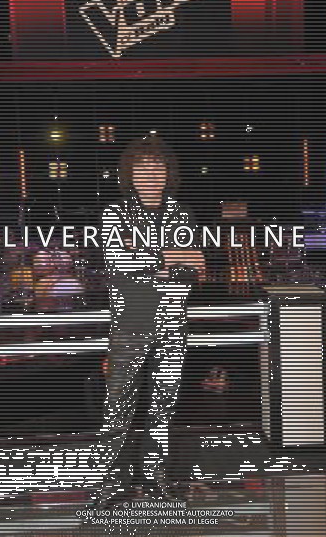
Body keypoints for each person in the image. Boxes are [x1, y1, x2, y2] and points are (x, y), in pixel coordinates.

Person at [90, 133, 205, 508]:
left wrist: (153, 261)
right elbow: (118, 265)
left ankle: (155, 479)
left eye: (157, 166)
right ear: (130, 173)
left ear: (169, 172)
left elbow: (194, 270)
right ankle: (109, 482)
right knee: (118, 407)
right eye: (142, 167)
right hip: (131, 323)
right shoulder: (115, 214)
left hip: (172, 322)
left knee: (163, 408)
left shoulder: (181, 214)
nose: (151, 174)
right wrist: (167, 260)